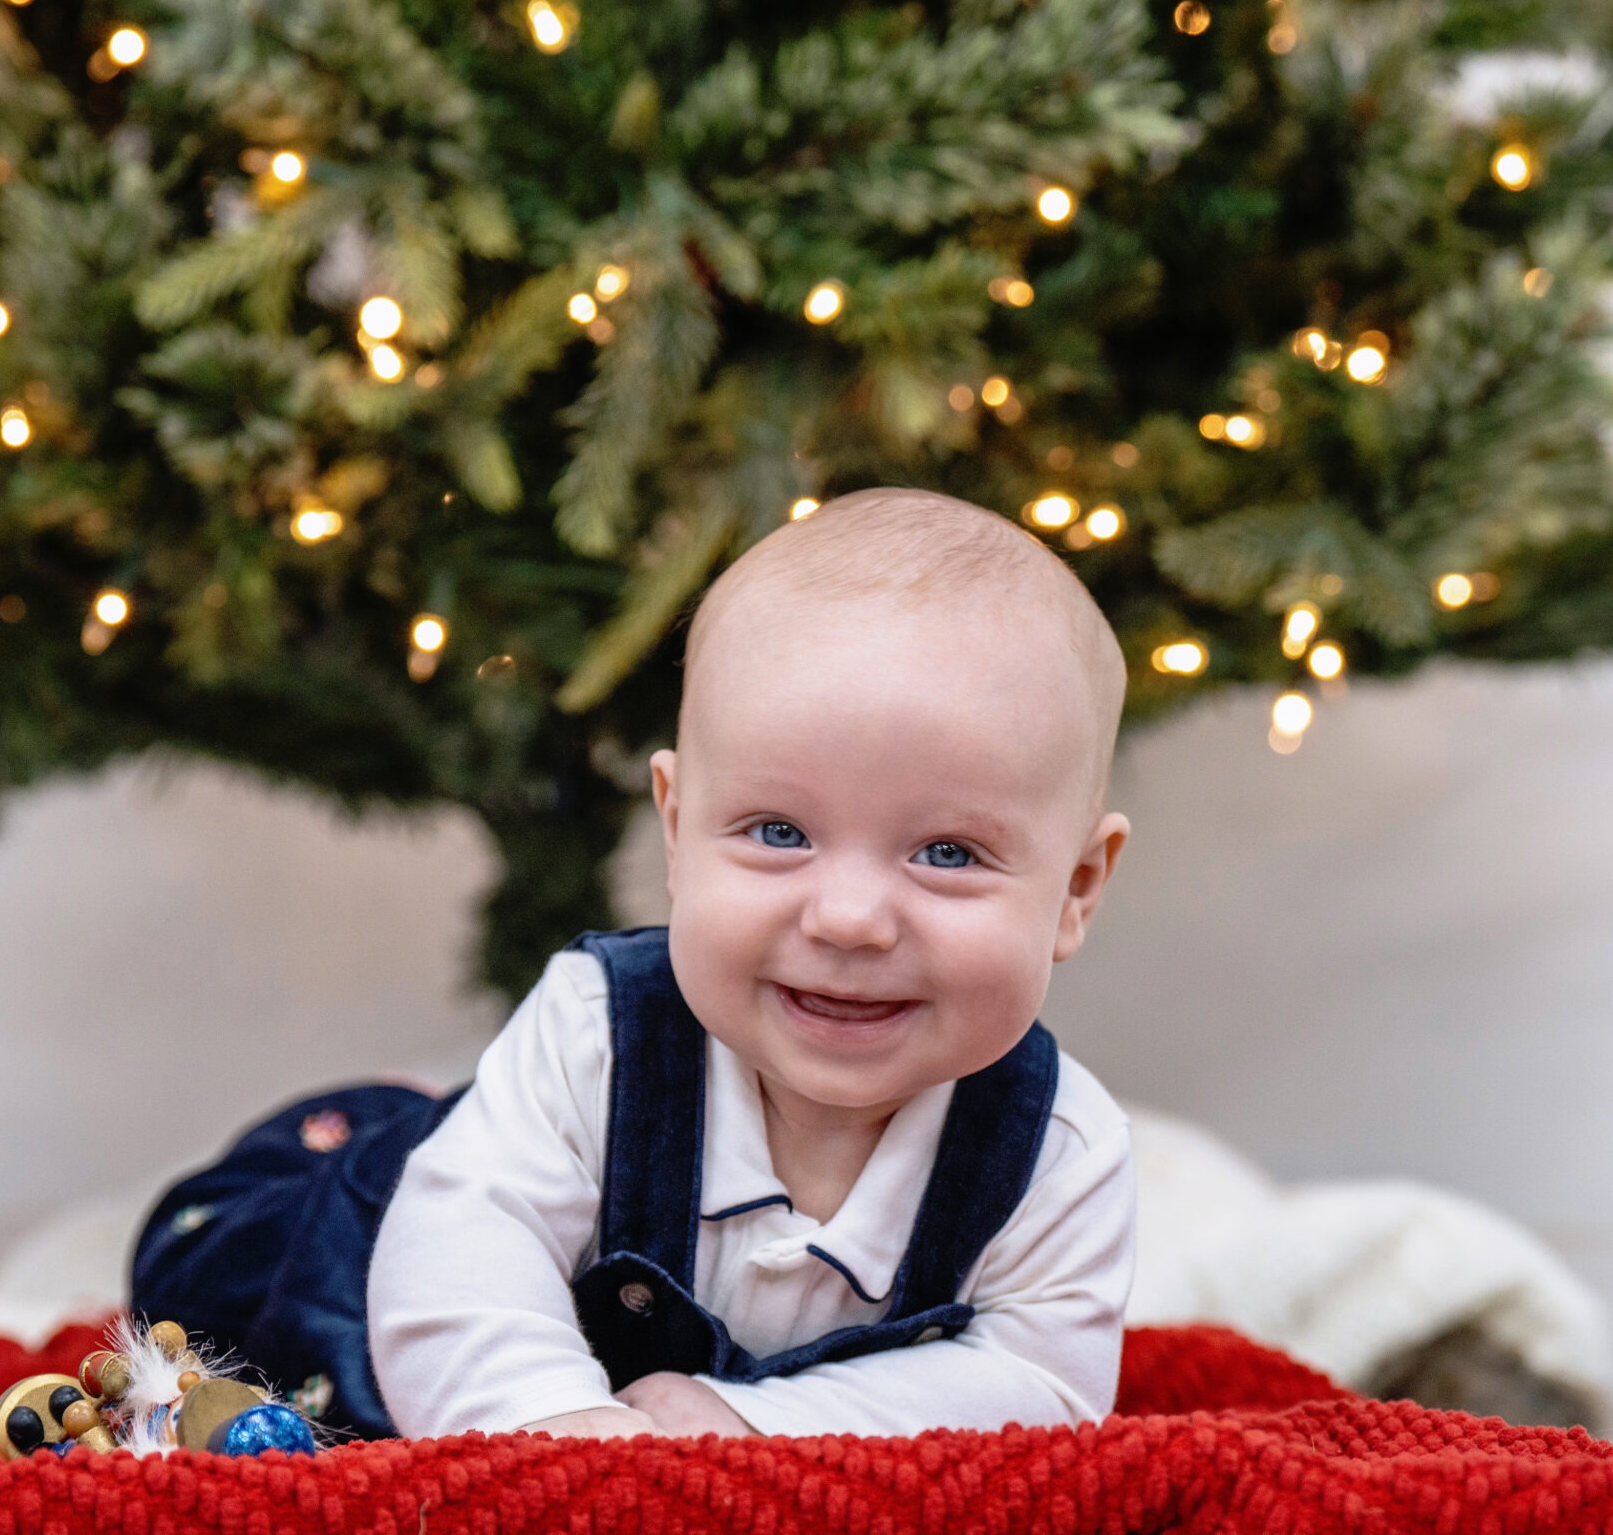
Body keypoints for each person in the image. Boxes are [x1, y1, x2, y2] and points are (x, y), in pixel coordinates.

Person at [132, 487, 1134, 1440]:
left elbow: (1040, 1383)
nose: (849, 918)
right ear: (675, 824)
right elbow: (460, 1258)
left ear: (1078, 886)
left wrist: (745, 1420)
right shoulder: (601, 1031)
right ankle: (426, 1123)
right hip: (351, 1258)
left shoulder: (1055, 1149)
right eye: (778, 830)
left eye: (946, 853)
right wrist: (559, 1430)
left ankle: (460, 1112)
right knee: (206, 1283)